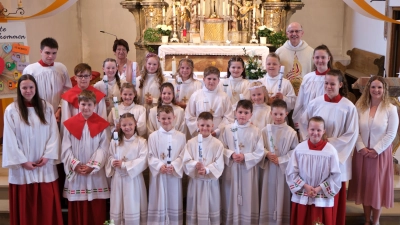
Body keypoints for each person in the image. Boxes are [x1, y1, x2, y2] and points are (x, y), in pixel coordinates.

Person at [299, 69, 359, 225]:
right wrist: (313, 140)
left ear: (340, 84)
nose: (329, 86)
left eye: (332, 83)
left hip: (336, 156)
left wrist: (328, 143)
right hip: (315, 156)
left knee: (332, 191)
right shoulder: (315, 103)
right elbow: (304, 124)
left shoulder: (348, 107)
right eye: (326, 83)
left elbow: (351, 134)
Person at [2, 75, 63, 225]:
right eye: (24, 88)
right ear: (19, 89)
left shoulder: (46, 107)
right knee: (26, 207)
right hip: (23, 167)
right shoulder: (12, 110)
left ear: (36, 88)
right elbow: (10, 139)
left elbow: (53, 134)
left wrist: (48, 156)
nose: (28, 91)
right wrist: (23, 161)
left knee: (46, 205)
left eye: (31, 87)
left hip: (44, 165)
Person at [347, 76, 399, 225]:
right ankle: (366, 219)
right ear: (368, 89)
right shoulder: (360, 106)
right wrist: (361, 147)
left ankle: (375, 221)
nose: (376, 90)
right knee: (365, 185)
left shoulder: (390, 109)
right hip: (362, 153)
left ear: (384, 90)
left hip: (380, 154)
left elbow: (391, 133)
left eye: (379, 87)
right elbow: (354, 129)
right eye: (373, 87)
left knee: (376, 187)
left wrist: (376, 150)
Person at [61, 90, 110, 225]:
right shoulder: (69, 124)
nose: (86, 108)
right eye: (83, 104)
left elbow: (104, 148)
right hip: (77, 172)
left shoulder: (102, 125)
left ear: (94, 105)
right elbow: (65, 148)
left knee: (96, 208)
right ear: (78, 105)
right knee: (78, 209)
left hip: (95, 173)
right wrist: (75, 164)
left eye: (89, 104)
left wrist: (92, 165)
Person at [286, 116, 341, 225]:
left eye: (319, 130)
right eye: (312, 129)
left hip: (321, 195)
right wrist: (306, 186)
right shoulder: (300, 148)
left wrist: (318, 188)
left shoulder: (330, 151)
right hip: (303, 193)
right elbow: (291, 172)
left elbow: (336, 176)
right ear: (307, 129)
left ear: (324, 131)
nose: (315, 133)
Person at [219, 100, 264, 225]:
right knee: (230, 196)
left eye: (246, 112)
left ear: (251, 115)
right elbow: (220, 148)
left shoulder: (256, 131)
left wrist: (245, 157)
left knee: (248, 197)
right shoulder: (227, 130)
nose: (242, 115)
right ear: (235, 112)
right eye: (240, 112)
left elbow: (259, 152)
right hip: (231, 169)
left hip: (248, 171)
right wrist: (231, 154)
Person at [259, 99, 298, 225]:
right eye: (275, 114)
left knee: (282, 195)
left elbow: (294, 151)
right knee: (267, 194)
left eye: (281, 114)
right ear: (271, 114)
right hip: (269, 168)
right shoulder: (265, 130)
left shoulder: (291, 132)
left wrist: (280, 159)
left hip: (282, 171)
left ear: (286, 113)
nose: (278, 117)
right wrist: (266, 154)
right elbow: (259, 147)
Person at [183, 112, 225, 225]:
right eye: (202, 125)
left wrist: (206, 170)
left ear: (212, 126)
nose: (205, 128)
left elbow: (219, 163)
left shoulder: (218, 144)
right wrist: (195, 164)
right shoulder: (191, 143)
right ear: (197, 125)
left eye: (207, 125)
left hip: (210, 183)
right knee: (195, 210)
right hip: (196, 182)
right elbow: (186, 161)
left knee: (211, 209)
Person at [106, 113, 148, 224]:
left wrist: (125, 165)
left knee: (132, 205)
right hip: (118, 179)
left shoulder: (141, 142)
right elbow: (110, 155)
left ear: (135, 124)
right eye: (124, 125)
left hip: (133, 180)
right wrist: (112, 161)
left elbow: (144, 160)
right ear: (120, 126)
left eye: (130, 124)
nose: (127, 127)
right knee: (117, 205)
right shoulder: (115, 141)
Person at [148, 105, 187, 225]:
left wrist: (174, 165)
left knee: (173, 200)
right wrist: (160, 165)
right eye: (163, 118)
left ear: (174, 117)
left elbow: (183, 155)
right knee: (158, 199)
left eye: (169, 118)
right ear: (158, 118)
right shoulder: (153, 136)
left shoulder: (181, 136)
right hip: (159, 175)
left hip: (173, 175)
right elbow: (150, 155)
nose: (166, 121)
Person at [23, 37, 72, 121]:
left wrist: (60, 109)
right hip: (37, 113)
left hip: (58, 114)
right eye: (47, 53)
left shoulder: (61, 68)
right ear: (41, 52)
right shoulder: (30, 70)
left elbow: (67, 90)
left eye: (54, 53)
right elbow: (25, 93)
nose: (51, 56)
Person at [292, 45, 334, 129]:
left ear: (328, 58)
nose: (320, 60)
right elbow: (300, 101)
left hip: (327, 121)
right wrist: (297, 120)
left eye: (323, 57)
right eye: (317, 57)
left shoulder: (334, 78)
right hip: (307, 121)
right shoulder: (308, 78)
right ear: (313, 58)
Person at [185, 66, 234, 138]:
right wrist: (200, 129)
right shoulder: (196, 95)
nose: (211, 81)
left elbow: (229, 117)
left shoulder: (224, 97)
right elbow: (189, 116)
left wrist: (217, 131)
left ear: (218, 81)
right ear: (204, 79)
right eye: (209, 79)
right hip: (200, 133)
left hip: (219, 134)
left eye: (214, 79)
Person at [60, 63, 107, 135]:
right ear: (75, 77)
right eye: (80, 76)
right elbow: (66, 119)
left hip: (94, 131)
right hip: (74, 133)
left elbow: (102, 117)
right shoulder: (68, 97)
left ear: (91, 77)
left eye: (86, 76)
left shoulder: (98, 95)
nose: (83, 79)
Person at [275, 22, 314, 92]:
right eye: (291, 31)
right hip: (285, 92)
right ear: (287, 34)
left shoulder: (311, 52)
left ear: (302, 33)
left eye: (297, 31)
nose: (294, 34)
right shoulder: (279, 52)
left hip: (305, 90)